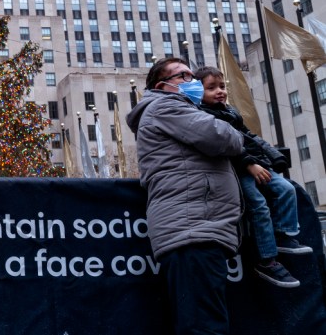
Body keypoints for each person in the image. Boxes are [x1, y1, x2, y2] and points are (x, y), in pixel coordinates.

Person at [126, 57, 244, 335]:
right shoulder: (166, 106)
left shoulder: (174, 109)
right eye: (184, 76)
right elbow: (226, 138)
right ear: (162, 85)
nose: (194, 82)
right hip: (193, 230)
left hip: (196, 229)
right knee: (204, 327)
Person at [195, 66, 312, 288]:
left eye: (221, 86)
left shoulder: (231, 113)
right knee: (258, 206)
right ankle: (267, 259)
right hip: (237, 170)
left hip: (258, 163)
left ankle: (284, 235)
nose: (219, 91)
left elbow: (251, 137)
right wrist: (249, 165)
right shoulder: (203, 116)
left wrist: (274, 156)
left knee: (287, 189)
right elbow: (227, 146)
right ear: (197, 92)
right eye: (211, 88)